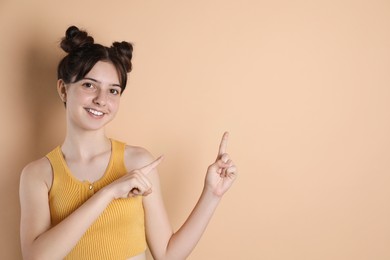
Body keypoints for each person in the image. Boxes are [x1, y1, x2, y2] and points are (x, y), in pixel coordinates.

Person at [19, 25, 237, 260]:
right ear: (63, 89)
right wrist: (108, 193)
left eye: (113, 91)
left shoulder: (138, 162)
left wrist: (212, 194)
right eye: (89, 85)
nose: (101, 100)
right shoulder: (38, 174)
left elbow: (167, 254)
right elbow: (36, 258)